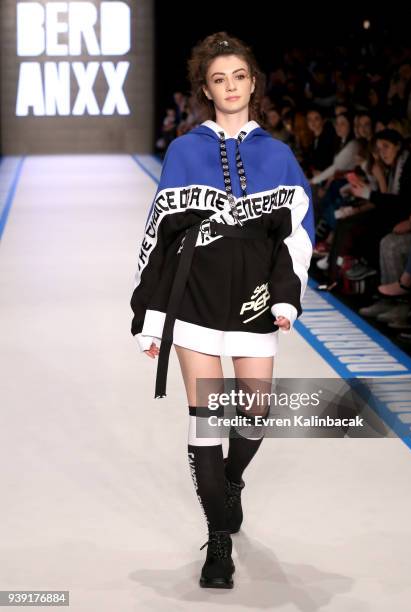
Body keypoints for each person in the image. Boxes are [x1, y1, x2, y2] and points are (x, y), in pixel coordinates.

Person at [129, 32, 314, 589]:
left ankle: (230, 481)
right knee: (207, 419)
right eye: (218, 79)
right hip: (195, 305)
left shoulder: (279, 156)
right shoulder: (185, 151)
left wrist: (288, 294)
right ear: (206, 90)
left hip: (255, 305)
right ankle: (217, 540)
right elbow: (159, 234)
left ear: (252, 83)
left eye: (239, 76)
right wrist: (151, 313)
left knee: (255, 416)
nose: (230, 86)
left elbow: (298, 234)